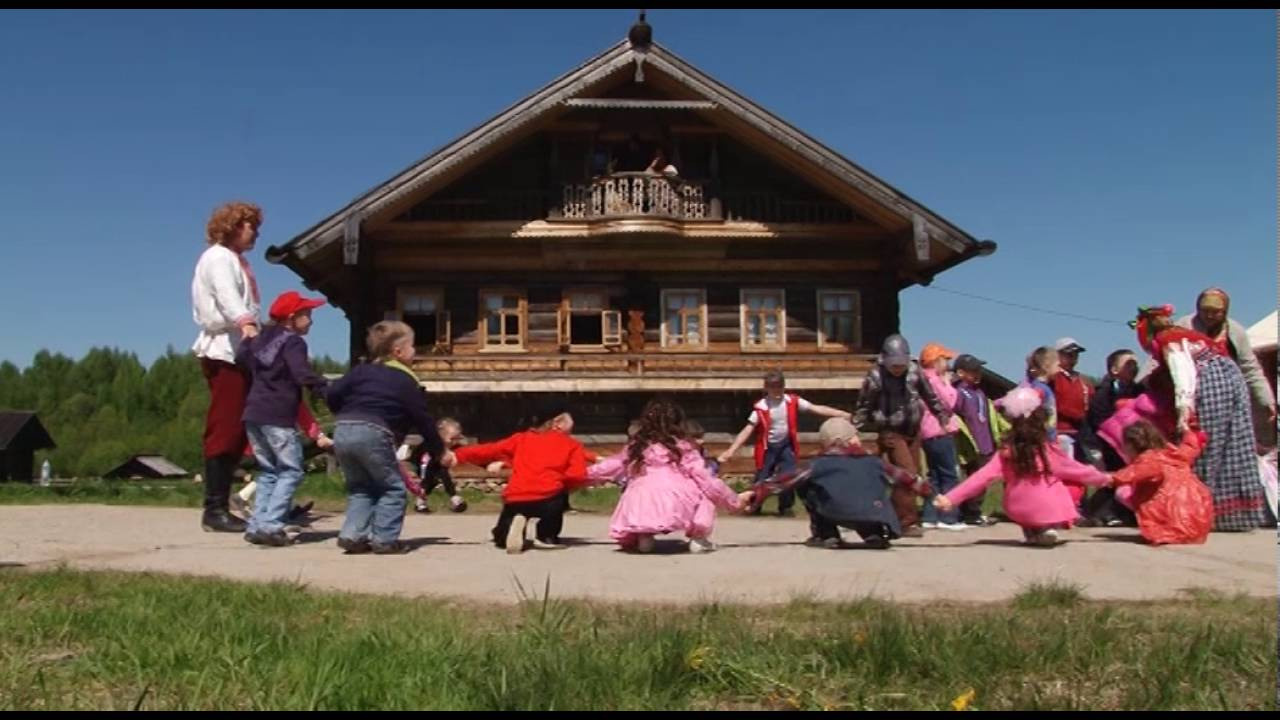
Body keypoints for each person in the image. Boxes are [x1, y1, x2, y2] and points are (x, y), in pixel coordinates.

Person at [1124, 305, 1266, 531]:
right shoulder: (1186, 336)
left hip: (1212, 382)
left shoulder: (1169, 339)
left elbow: (1184, 374)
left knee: (1204, 443)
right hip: (1231, 380)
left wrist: (1184, 411)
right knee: (1231, 444)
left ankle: (1202, 511)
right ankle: (1230, 516)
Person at [933, 387, 1112, 547]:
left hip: (1018, 508)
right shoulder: (1048, 450)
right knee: (1055, 483)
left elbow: (981, 477)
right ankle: (1043, 528)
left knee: (1018, 492)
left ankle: (1032, 529)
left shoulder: (1006, 451)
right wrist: (1106, 479)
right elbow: (1078, 470)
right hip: (1048, 507)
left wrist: (950, 499)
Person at [326, 321, 446, 555]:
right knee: (392, 487)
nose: (415, 352)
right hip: (375, 431)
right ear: (398, 352)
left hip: (343, 429)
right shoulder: (406, 380)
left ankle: (352, 535)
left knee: (360, 488)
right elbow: (423, 420)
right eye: (412, 347)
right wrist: (439, 449)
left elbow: (332, 393)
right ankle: (385, 539)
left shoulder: (360, 371)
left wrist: (342, 413)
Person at [585, 399, 748, 553]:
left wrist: (581, 475)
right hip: (678, 497)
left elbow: (612, 465)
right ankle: (699, 538)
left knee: (636, 491)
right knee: (705, 491)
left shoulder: (638, 445)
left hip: (640, 500)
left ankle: (645, 538)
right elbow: (704, 478)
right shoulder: (683, 445)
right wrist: (733, 501)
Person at [748, 418, 933, 549]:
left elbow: (783, 481)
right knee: (865, 492)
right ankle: (873, 534)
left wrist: (754, 494)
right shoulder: (874, 461)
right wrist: (933, 494)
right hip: (875, 513)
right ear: (851, 438)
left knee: (806, 485)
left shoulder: (818, 463)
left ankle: (826, 534)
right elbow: (907, 478)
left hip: (837, 512)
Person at [236, 291, 330, 546]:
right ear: (292, 318)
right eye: (307, 315)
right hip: (278, 414)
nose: (311, 321)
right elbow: (301, 373)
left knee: (269, 471)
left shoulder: (261, 339)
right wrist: (326, 390)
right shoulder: (293, 342)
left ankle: (256, 525)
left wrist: (247, 339)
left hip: (253, 413)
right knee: (290, 470)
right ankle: (272, 524)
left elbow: (241, 358)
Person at [190, 201, 263, 533]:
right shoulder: (218, 258)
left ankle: (222, 502)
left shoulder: (236, 260)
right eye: (251, 226)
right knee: (225, 426)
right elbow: (226, 295)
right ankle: (214, 508)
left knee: (237, 429)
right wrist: (244, 320)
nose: (256, 232)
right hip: (224, 351)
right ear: (234, 226)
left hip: (238, 351)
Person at [451, 399, 592, 554]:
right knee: (556, 501)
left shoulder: (520, 439)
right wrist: (567, 486)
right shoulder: (572, 444)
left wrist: (458, 454)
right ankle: (546, 536)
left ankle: (506, 532)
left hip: (517, 496)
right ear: (557, 423)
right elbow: (577, 474)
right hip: (548, 496)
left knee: (506, 526)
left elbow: (489, 450)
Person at [851, 334, 953, 537]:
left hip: (913, 430)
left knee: (911, 476)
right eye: (893, 365)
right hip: (890, 431)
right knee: (908, 473)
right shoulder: (875, 376)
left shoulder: (915, 372)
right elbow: (864, 404)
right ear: (885, 360)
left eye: (901, 365)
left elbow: (929, 395)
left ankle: (895, 517)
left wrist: (941, 415)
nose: (897, 369)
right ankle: (904, 522)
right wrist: (856, 425)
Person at [718, 371, 852, 517]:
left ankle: (786, 507)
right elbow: (747, 430)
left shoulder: (792, 401)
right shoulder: (761, 407)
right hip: (767, 448)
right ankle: (755, 505)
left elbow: (816, 408)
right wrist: (731, 450)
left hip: (786, 445)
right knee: (763, 477)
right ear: (766, 388)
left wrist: (841, 414)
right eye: (773, 387)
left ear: (783, 386)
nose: (776, 390)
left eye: (779, 386)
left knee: (788, 476)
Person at [1176, 288, 1277, 448]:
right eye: (1205, 311)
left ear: (1225, 311)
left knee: (1232, 447)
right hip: (1195, 400)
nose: (1209, 316)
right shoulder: (1184, 326)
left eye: (1215, 312)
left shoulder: (1235, 331)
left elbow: (1250, 369)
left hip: (1231, 401)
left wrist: (1266, 399)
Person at [1109, 420, 1213, 545]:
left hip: (1173, 526)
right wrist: (1191, 432)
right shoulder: (1174, 454)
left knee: (1123, 492)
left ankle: (1160, 525)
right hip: (1198, 524)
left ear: (1131, 445)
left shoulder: (1149, 460)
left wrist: (1104, 478)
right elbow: (1190, 447)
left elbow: (1130, 474)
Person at [1079, 348, 1143, 527]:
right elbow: (1099, 421)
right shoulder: (1104, 393)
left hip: (1129, 444)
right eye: (1128, 364)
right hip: (1104, 443)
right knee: (1111, 479)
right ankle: (1101, 512)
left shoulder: (1139, 390)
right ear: (1114, 370)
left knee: (1130, 478)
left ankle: (1125, 512)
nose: (1134, 367)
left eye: (1136, 364)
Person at [950, 354, 1008, 526]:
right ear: (960, 373)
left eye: (979, 370)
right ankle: (969, 511)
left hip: (986, 441)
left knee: (984, 478)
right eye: (973, 371)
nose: (978, 374)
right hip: (970, 443)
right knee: (971, 478)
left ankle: (977, 510)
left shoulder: (981, 392)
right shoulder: (958, 392)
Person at [917, 343, 967, 531]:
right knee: (948, 475)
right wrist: (948, 383)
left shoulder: (922, 379)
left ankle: (930, 515)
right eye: (945, 360)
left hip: (927, 433)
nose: (947, 364)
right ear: (935, 361)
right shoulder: (935, 380)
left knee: (934, 476)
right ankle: (948, 517)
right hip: (940, 430)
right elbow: (950, 402)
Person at [404, 418, 468, 514]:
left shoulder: (448, 444)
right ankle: (420, 502)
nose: (454, 442)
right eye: (452, 438)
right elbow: (424, 461)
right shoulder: (432, 444)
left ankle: (454, 498)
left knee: (441, 475)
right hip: (422, 462)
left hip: (435, 464)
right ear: (441, 435)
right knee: (430, 479)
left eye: (456, 438)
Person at [1050, 338, 1093, 461]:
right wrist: (1077, 414)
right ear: (1057, 355)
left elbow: (1090, 399)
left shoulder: (1082, 379)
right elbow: (1055, 403)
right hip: (1061, 431)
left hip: (1081, 432)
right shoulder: (1054, 378)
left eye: (1075, 354)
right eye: (1068, 354)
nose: (1073, 357)